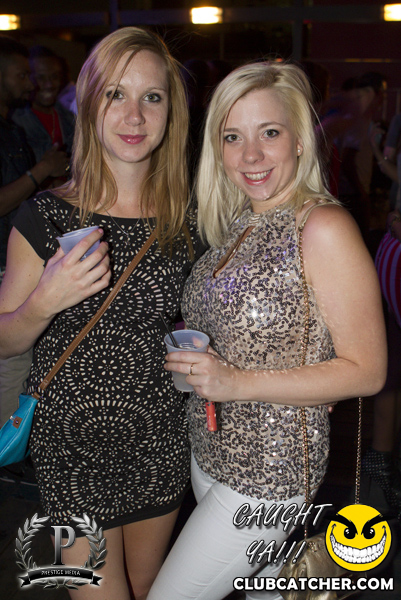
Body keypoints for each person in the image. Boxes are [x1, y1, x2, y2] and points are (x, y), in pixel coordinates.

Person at [148, 62, 387, 600]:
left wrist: (236, 381)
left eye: (270, 133)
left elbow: (368, 371)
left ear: (300, 141)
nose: (250, 155)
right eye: (233, 137)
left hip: (269, 474)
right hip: (210, 453)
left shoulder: (322, 227)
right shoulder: (241, 220)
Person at [0, 27, 202, 600]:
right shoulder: (44, 215)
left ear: (171, 111)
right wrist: (44, 301)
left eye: (152, 97)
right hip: (70, 447)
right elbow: (5, 340)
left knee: (150, 587)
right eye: (116, 94)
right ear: (90, 105)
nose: (134, 115)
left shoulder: (190, 219)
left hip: (159, 436)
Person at [0, 36, 68, 428]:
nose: (30, 83)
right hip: (4, 264)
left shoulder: (12, 127)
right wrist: (41, 172)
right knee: (11, 365)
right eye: (21, 75)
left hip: (16, 261)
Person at [12, 46, 75, 168]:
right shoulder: (15, 122)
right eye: (40, 78)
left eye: (54, 77)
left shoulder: (69, 118)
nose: (49, 85)